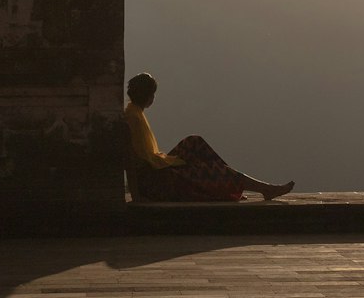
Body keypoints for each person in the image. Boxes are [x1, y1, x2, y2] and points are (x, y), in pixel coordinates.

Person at [124, 72, 294, 202]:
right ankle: (261, 188)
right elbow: (130, 160)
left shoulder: (134, 111)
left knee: (194, 142)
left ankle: (229, 185)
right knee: (210, 171)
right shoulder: (132, 118)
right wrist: (137, 196)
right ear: (148, 95)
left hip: (156, 170)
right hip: (155, 181)